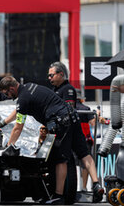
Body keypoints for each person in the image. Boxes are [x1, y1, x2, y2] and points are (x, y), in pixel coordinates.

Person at [0, 76, 78, 204]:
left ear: (11, 88)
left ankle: (59, 196)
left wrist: (9, 147)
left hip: (61, 121)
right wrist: (3, 122)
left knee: (60, 159)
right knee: (53, 158)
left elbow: (18, 127)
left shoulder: (23, 98)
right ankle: (49, 194)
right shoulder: (28, 87)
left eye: (7, 93)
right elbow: (18, 111)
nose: (8, 96)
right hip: (66, 117)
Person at [48, 61, 104, 202]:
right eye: (48, 76)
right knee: (84, 154)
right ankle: (96, 184)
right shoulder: (56, 90)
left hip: (68, 128)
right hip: (72, 127)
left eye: (52, 75)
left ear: (61, 74)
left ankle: (59, 194)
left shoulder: (68, 89)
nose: (49, 78)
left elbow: (68, 109)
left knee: (64, 159)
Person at [75, 91, 96, 192]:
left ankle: (73, 186)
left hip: (72, 138)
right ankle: (84, 187)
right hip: (85, 139)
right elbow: (93, 123)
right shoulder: (86, 109)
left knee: (71, 164)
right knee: (85, 164)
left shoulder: (69, 109)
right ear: (82, 99)